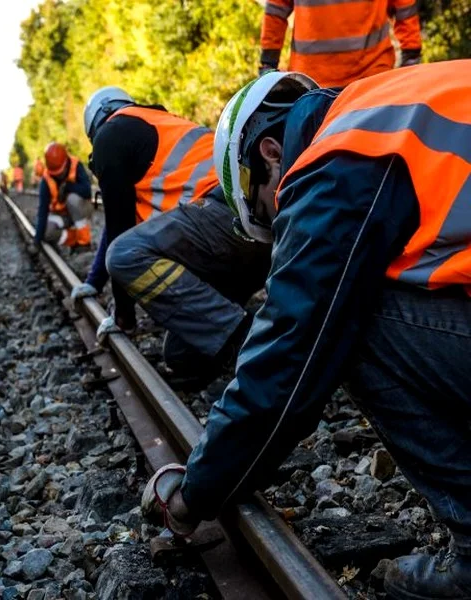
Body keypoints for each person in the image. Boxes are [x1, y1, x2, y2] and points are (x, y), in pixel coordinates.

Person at [142, 63, 471, 600]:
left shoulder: (335, 159)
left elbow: (292, 348)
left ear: (271, 153)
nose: (282, 221)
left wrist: (195, 494)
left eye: (268, 210)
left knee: (352, 320)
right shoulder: (394, 104)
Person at [72, 87, 270, 374]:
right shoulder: (160, 124)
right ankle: (263, 329)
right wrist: (93, 282)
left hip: (223, 217)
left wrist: (124, 317)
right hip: (255, 235)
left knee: (123, 255)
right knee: (181, 355)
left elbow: (118, 231)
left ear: (95, 125)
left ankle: (250, 339)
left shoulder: (110, 135)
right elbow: (120, 221)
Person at [260, 0, 422, 87]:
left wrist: (268, 63)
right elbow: (404, 7)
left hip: (313, 81)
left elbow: (276, 11)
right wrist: (411, 54)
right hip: (370, 77)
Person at [33, 142, 93, 248]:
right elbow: (42, 212)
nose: (59, 176)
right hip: (63, 216)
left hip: (81, 210)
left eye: (60, 172)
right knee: (47, 232)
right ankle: (74, 239)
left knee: (72, 199)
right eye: (55, 174)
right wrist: (37, 242)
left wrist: (68, 187)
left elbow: (87, 192)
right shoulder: (46, 180)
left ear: (66, 163)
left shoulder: (76, 165)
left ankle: (84, 242)